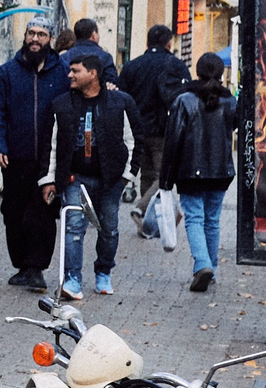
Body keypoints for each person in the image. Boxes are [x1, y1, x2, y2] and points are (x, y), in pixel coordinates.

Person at [45, 50, 144, 299]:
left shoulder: (120, 103)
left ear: (93, 73)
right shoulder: (61, 104)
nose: (69, 75)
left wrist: (127, 175)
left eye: (75, 70)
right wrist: (49, 179)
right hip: (74, 178)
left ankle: (104, 272)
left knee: (109, 227)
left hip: (111, 179)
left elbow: (134, 140)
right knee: (74, 226)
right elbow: (51, 145)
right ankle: (72, 281)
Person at [0, 17, 68, 290]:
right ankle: (21, 264)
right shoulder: (7, 73)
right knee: (13, 212)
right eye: (31, 33)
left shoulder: (62, 72)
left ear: (50, 39)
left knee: (42, 214)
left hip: (48, 161)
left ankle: (37, 268)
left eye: (41, 34)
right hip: (15, 158)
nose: (35, 39)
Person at [161, 52, 238, 292]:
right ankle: (211, 268)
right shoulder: (229, 101)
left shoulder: (184, 100)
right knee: (212, 220)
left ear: (197, 71)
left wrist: (166, 178)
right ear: (222, 73)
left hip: (190, 170)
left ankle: (202, 264)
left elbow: (173, 140)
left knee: (194, 218)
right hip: (221, 169)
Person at [119, 23, 191, 226]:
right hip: (164, 130)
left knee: (147, 174)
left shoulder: (132, 66)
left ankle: (147, 222)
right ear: (169, 43)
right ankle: (142, 208)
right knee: (164, 175)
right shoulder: (176, 65)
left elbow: (121, 97)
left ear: (147, 41)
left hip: (136, 130)